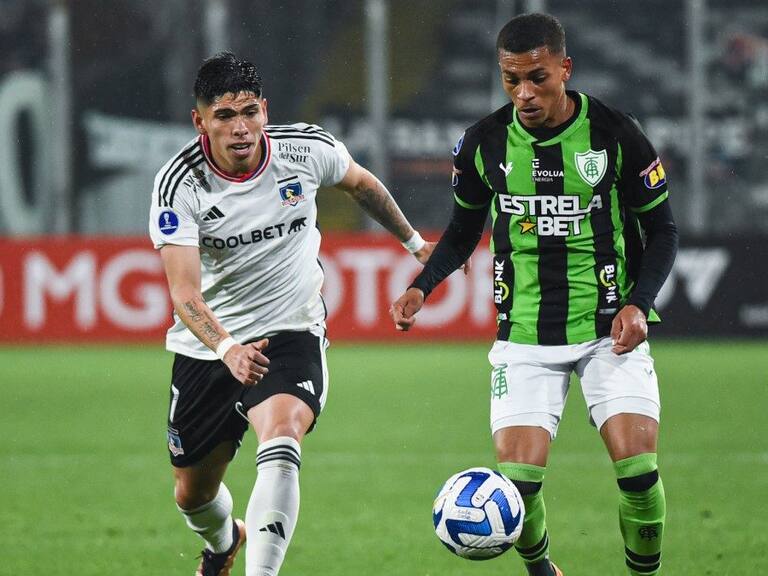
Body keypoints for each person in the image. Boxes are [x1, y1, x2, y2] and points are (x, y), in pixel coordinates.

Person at [391, 13, 678, 576]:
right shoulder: (482, 144)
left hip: (606, 332)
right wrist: (422, 286)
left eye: (538, 78)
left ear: (564, 69)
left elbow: (662, 229)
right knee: (518, 487)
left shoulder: (616, 134)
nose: (524, 93)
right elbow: (463, 231)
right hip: (523, 333)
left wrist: (638, 302)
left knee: (637, 471)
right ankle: (543, 570)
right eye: (510, 79)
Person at [149, 52, 433, 576]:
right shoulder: (180, 185)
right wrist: (226, 348)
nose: (240, 128)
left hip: (291, 329)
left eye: (249, 112)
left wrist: (415, 244)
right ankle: (224, 540)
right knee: (192, 495)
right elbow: (185, 293)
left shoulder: (305, 150)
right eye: (224, 116)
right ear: (200, 121)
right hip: (209, 348)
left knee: (281, 437)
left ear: (265, 109)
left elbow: (362, 184)